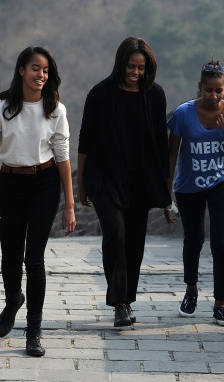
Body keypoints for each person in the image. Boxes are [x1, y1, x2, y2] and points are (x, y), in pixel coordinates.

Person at [0, 46, 76, 357]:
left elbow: (63, 158)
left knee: (34, 259)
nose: (41, 75)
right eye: (35, 68)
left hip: (45, 184)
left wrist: (70, 205)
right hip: (10, 184)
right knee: (10, 255)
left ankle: (33, 331)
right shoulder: (1, 106)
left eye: (46, 70)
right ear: (21, 70)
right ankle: (12, 301)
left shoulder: (55, 110)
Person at [77, 37, 171, 328]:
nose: (136, 73)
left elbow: (160, 145)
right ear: (120, 64)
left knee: (135, 244)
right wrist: (81, 185)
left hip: (139, 182)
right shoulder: (100, 94)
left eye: (141, 68)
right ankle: (119, 304)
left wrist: (166, 194)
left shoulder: (154, 96)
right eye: (131, 66)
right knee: (115, 235)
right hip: (105, 178)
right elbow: (85, 141)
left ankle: (127, 300)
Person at [165, 60, 224, 326]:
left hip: (221, 181)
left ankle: (220, 304)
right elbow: (171, 156)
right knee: (194, 240)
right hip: (188, 185)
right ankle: (191, 291)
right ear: (200, 87)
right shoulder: (183, 114)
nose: (213, 96)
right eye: (208, 90)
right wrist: (166, 196)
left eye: (219, 90)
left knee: (221, 243)